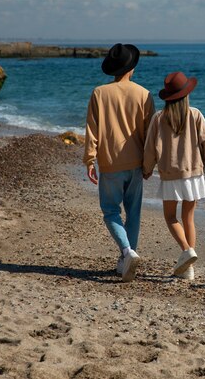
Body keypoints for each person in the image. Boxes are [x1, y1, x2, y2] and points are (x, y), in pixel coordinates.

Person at [83, 43, 155, 282]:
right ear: (131, 68)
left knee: (111, 211)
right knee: (133, 212)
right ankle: (127, 257)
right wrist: (149, 164)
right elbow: (149, 135)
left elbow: (92, 131)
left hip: (110, 162)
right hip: (135, 162)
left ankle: (126, 253)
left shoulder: (99, 93)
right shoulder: (144, 94)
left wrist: (89, 159)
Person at [143, 71, 205, 281]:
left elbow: (151, 147)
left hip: (170, 174)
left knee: (170, 217)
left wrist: (147, 168)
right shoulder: (195, 114)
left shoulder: (159, 118)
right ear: (186, 94)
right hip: (194, 174)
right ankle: (189, 268)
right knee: (188, 218)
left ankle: (187, 251)